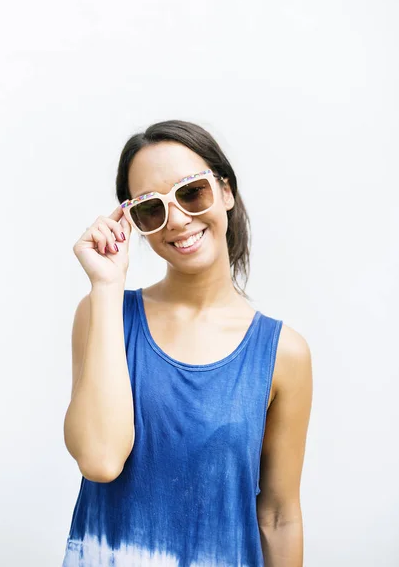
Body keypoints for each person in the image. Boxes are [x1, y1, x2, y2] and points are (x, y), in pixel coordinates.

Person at [62, 120, 313, 567]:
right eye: (150, 210)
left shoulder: (283, 353)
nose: (176, 219)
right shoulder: (103, 314)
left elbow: (278, 516)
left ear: (227, 191)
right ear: (133, 222)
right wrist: (106, 285)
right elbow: (99, 460)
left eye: (192, 192)